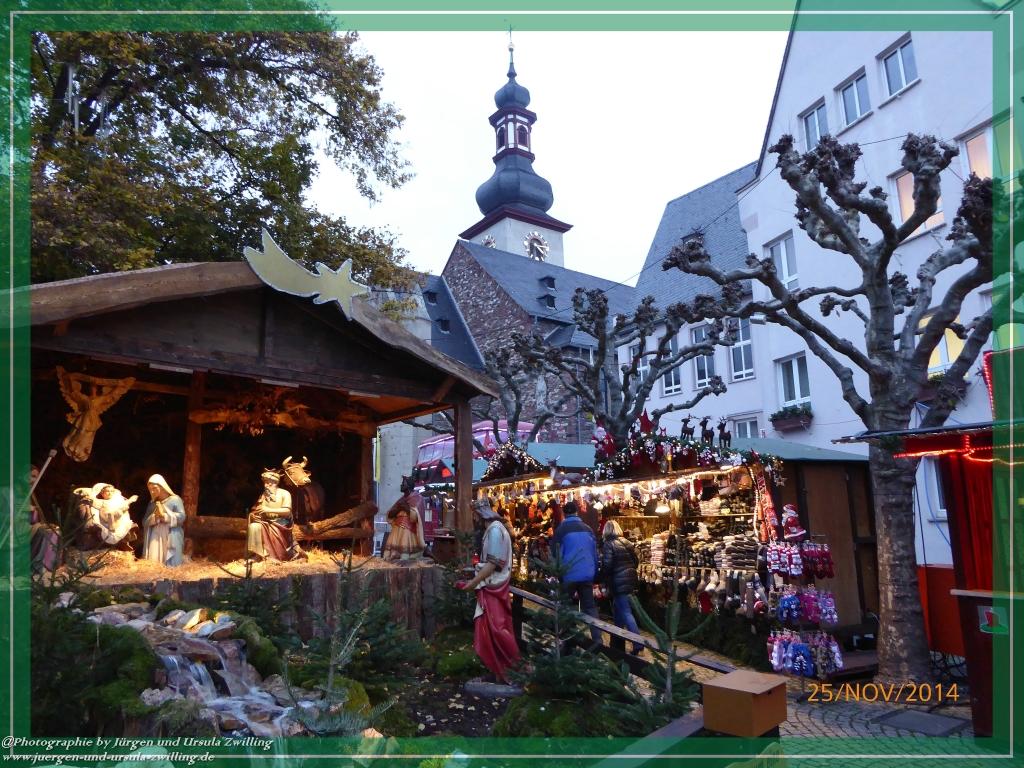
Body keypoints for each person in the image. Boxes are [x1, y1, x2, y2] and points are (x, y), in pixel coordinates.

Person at [459, 498, 520, 683]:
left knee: (497, 629)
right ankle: (497, 669)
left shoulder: (494, 530)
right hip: (491, 585)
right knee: (491, 629)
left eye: (474, 515)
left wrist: (473, 582)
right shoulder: (493, 529)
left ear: (480, 514)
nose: (474, 519)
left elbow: (492, 564)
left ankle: (514, 668)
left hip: (494, 586)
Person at [552, 500, 602, 645]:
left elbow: (555, 553)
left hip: (568, 573)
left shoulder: (561, 530)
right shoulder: (588, 529)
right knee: (590, 607)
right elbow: (594, 553)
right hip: (587, 573)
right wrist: (594, 572)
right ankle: (597, 639)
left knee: (566, 607)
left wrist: (558, 571)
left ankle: (569, 639)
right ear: (576, 512)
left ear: (564, 513)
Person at [599, 520, 644, 654]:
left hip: (618, 582)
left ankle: (638, 644)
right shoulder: (627, 542)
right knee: (619, 613)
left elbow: (607, 566)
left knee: (625, 612)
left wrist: (601, 578)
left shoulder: (608, 544)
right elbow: (636, 562)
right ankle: (617, 644)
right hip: (630, 580)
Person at [247, 469, 298, 561]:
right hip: (266, 521)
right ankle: (258, 555)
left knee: (274, 529)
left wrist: (268, 510)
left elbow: (287, 511)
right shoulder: (264, 495)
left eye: (268, 483)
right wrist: (254, 515)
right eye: (264, 483)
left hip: (281, 522)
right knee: (254, 526)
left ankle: (275, 555)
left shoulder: (285, 493)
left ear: (275, 483)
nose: (266, 485)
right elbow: (258, 509)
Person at [141, 474, 185, 566]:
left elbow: (182, 517)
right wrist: (154, 518)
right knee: (154, 559)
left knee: (170, 560)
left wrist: (165, 517)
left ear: (162, 486)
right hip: (155, 535)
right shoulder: (152, 504)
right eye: (150, 489)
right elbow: (144, 522)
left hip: (170, 534)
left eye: (154, 488)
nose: (152, 491)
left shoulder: (175, 500)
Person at [383, 477, 427, 561]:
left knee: (405, 548)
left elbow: (416, 516)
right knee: (393, 549)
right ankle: (395, 555)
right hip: (397, 529)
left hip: (409, 529)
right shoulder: (402, 499)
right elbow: (390, 515)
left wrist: (405, 507)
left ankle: (406, 556)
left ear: (409, 486)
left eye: (403, 484)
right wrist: (398, 509)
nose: (401, 485)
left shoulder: (417, 498)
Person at [86, 482, 139, 550]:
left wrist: (130, 500)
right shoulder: (101, 501)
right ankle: (111, 525)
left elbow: (124, 505)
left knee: (119, 510)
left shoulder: (116, 501)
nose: (110, 493)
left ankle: (114, 527)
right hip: (106, 520)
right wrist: (89, 498)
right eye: (107, 491)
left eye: (111, 491)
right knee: (109, 512)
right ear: (102, 493)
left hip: (116, 520)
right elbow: (93, 502)